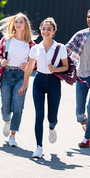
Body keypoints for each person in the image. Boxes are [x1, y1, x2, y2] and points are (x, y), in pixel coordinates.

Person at [19, 17, 68, 158]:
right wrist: (24, 85)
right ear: (40, 30)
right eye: (43, 29)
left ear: (54, 31)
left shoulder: (60, 48)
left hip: (54, 82)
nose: (46, 31)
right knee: (39, 115)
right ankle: (39, 147)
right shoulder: (35, 48)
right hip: (39, 82)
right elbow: (29, 68)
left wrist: (55, 69)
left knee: (52, 116)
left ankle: (52, 127)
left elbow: (65, 66)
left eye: (49, 29)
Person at [0, 13, 36, 147]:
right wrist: (2, 60)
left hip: (21, 77)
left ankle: (13, 135)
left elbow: (36, 63)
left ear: (25, 25)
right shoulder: (6, 40)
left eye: (21, 22)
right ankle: (7, 121)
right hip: (7, 74)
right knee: (6, 107)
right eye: (16, 22)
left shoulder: (31, 44)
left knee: (18, 106)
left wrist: (28, 65)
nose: (18, 24)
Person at [66, 7, 90, 148]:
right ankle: (83, 121)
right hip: (81, 76)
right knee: (79, 112)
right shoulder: (81, 35)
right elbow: (66, 49)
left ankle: (86, 138)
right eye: (88, 17)